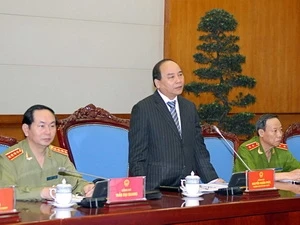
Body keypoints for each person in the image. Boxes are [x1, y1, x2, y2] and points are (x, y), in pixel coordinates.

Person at [128, 59, 223, 191]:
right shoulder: (143, 109)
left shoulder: (189, 107)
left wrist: (213, 180)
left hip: (187, 186)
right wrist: (142, 190)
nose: (178, 80)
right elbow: (137, 157)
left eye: (180, 74)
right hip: (156, 188)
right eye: (171, 77)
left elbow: (198, 148)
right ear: (157, 83)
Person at [0, 104, 94, 201]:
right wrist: (41, 193)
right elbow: (4, 192)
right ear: (26, 129)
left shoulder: (60, 156)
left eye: (52, 126)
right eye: (42, 126)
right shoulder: (9, 159)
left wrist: (86, 188)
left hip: (57, 214)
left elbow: (76, 183)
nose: (48, 132)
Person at [233, 114, 300, 181]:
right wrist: (285, 175)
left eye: (281, 130)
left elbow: (297, 169)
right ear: (261, 133)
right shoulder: (246, 150)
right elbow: (250, 177)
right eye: (275, 131)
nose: (280, 135)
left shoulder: (281, 149)